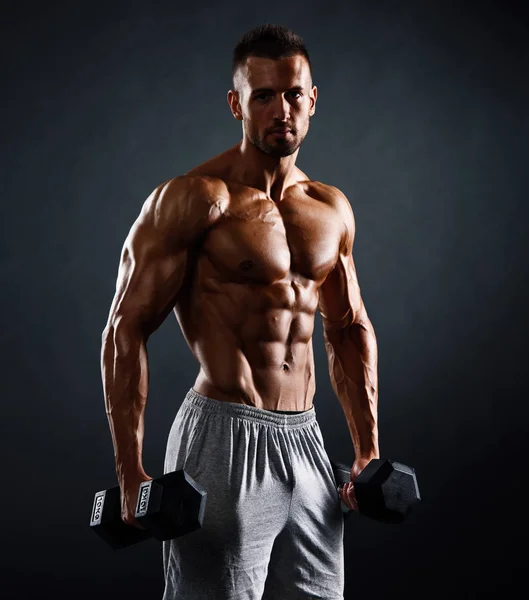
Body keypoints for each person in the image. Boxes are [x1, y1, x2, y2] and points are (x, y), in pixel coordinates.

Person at [101, 23, 379, 600]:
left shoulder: (330, 209)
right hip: (224, 440)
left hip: (308, 444)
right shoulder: (195, 198)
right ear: (237, 103)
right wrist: (131, 474)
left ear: (313, 99)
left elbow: (348, 328)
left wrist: (367, 449)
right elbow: (124, 330)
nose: (282, 109)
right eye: (264, 95)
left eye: (293, 93)